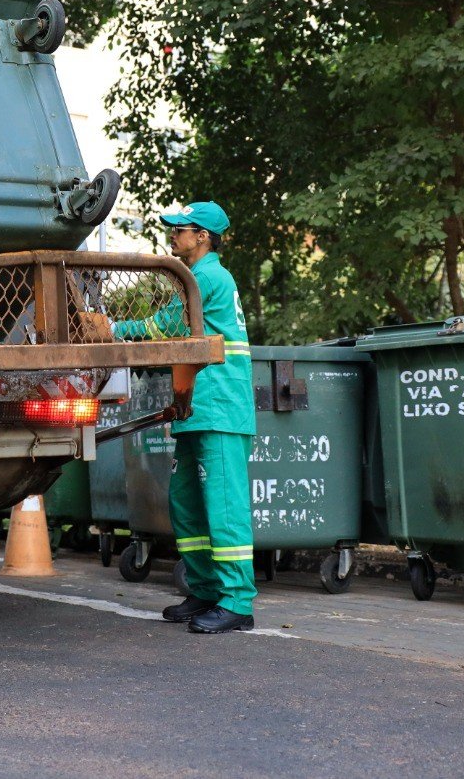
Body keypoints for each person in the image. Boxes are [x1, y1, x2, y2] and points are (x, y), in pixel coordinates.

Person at [113, 201, 256, 633]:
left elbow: (163, 328)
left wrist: (110, 329)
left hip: (220, 408)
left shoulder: (208, 276)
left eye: (182, 229)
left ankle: (237, 602)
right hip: (198, 405)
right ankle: (206, 591)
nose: (173, 235)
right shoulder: (196, 277)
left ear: (203, 237)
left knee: (224, 506)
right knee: (187, 502)